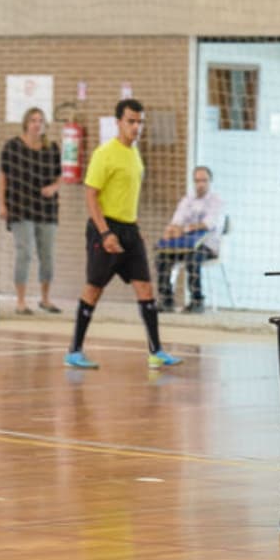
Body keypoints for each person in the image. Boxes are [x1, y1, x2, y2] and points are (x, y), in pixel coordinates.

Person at [64, 99, 182, 370]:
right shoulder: (104, 154)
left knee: (145, 287)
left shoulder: (135, 153)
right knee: (93, 290)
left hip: (130, 230)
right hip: (105, 229)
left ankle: (156, 351)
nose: (136, 127)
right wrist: (105, 233)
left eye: (140, 122)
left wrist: (130, 231)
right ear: (118, 122)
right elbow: (91, 196)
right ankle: (74, 351)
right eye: (131, 121)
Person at [0, 106, 62, 315]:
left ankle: (45, 298)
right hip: (19, 205)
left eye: (41, 121)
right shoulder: (12, 147)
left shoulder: (51, 149)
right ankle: (21, 301)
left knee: (47, 254)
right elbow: (3, 177)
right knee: (24, 252)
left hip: (45, 208)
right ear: (26, 123)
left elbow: (61, 176)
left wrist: (53, 188)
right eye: (33, 120)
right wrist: (2, 204)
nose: (37, 124)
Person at [154, 165, 224, 314]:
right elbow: (176, 222)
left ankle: (197, 301)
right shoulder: (187, 200)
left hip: (206, 246)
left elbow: (207, 224)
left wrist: (184, 229)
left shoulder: (216, 201)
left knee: (193, 258)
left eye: (204, 180)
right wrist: (171, 230)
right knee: (162, 257)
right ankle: (166, 300)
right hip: (185, 245)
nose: (200, 184)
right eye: (197, 180)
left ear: (210, 181)